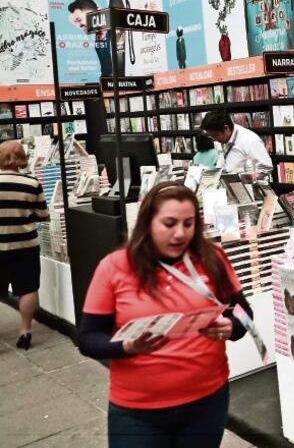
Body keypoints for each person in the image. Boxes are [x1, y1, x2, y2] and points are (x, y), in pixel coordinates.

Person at [78, 183, 251, 447]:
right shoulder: (114, 267)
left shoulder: (212, 257)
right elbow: (88, 339)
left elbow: (244, 313)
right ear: (147, 222)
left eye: (188, 224)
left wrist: (232, 326)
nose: (180, 233)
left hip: (206, 403)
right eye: (169, 224)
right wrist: (126, 346)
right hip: (137, 412)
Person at [0, 141, 48, 349]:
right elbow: (43, 215)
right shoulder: (32, 183)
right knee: (27, 288)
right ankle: (25, 331)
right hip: (25, 245)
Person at [201, 110, 272, 174]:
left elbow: (266, 168)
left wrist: (246, 179)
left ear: (226, 128)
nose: (214, 139)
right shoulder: (220, 140)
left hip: (248, 183)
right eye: (211, 136)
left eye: (216, 135)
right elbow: (222, 161)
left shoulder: (250, 140)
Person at [67, 0, 114, 77]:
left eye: (79, 20)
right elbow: (106, 71)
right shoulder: (99, 36)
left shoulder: (113, 30)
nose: (79, 25)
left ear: (92, 13)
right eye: (76, 22)